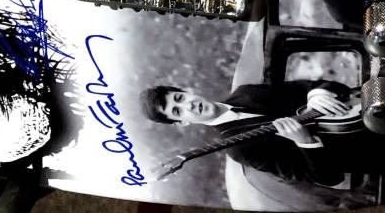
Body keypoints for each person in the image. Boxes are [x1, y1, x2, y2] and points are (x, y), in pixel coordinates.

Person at [140, 80, 360, 187]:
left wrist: (317, 93)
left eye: (179, 98)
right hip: (367, 149)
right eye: (177, 111)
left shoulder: (247, 93)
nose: (188, 106)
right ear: (182, 123)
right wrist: (306, 142)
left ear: (187, 91)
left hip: (362, 103)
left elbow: (310, 86)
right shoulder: (240, 150)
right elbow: (329, 178)